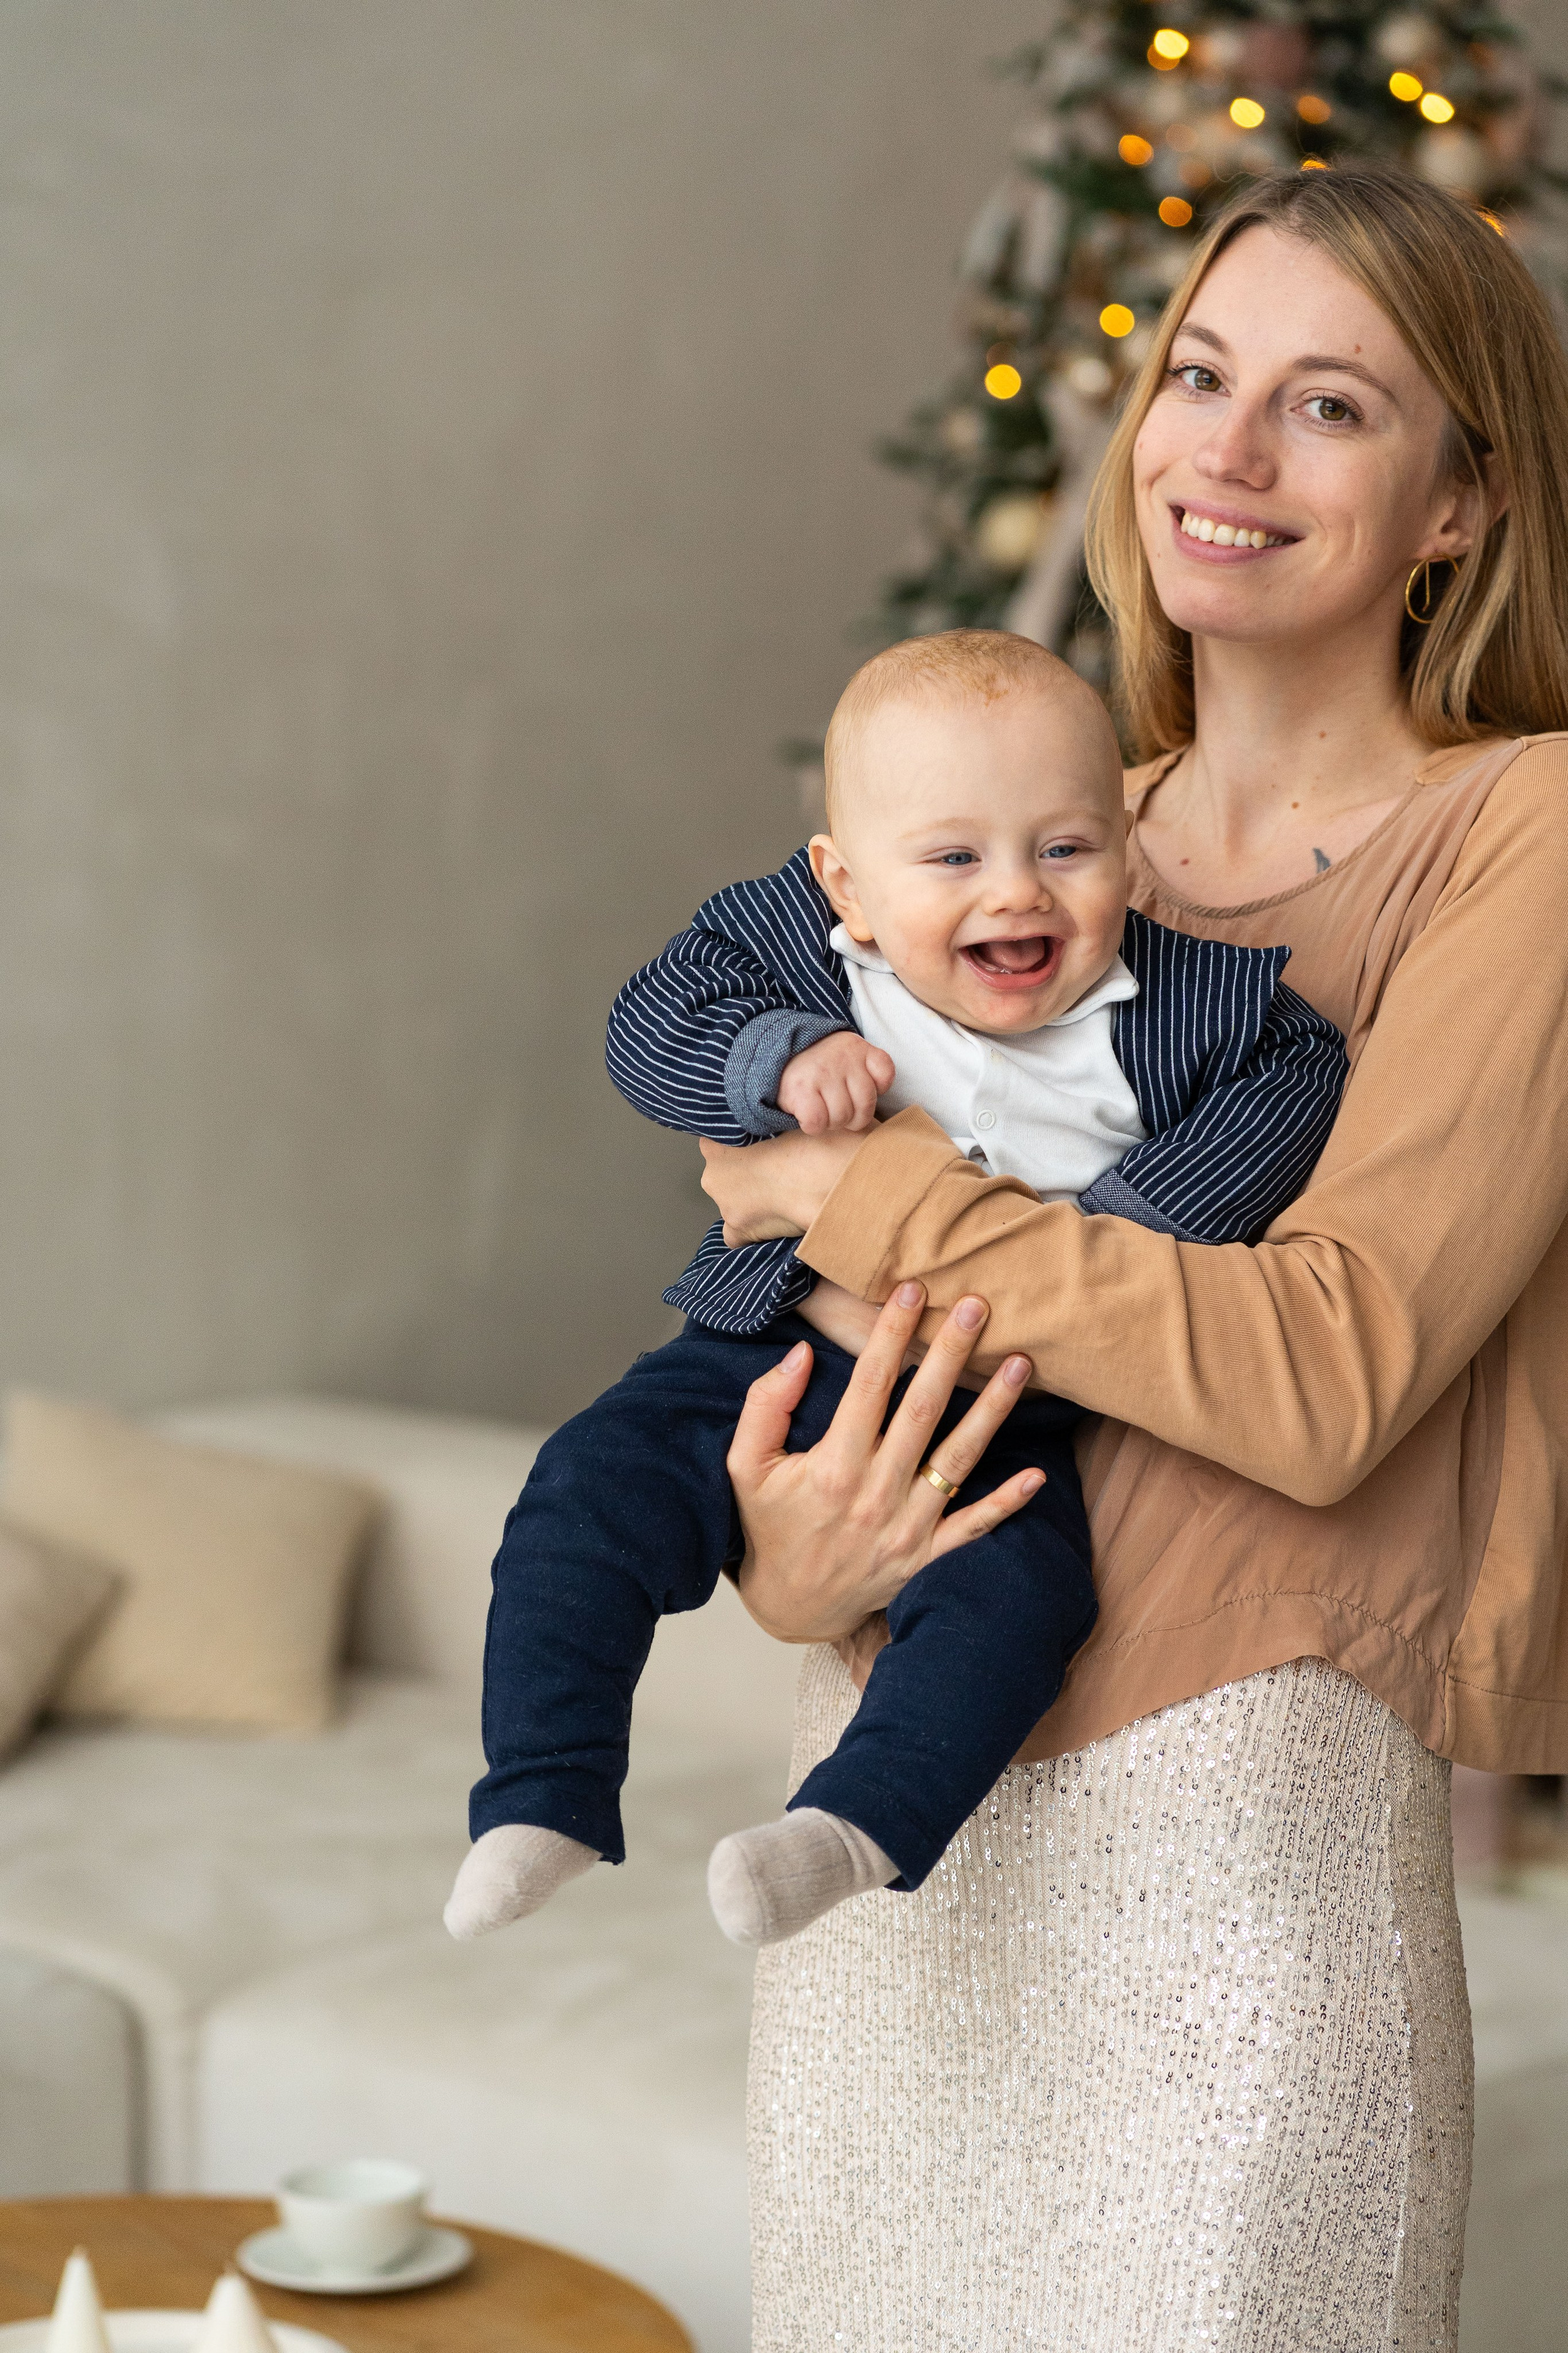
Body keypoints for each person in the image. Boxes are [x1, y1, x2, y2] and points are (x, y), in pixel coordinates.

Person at [698, 164, 1568, 2349]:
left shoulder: (1527, 834)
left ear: (1463, 504)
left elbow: (1331, 1366)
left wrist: (874, 1195)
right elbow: (785, 1325)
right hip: (888, 1848)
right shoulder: (1029, 819)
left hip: (1238, 1893)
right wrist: (794, 1558)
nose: (1228, 448)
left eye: (1333, 406)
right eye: (1199, 372)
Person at [444, 632, 1346, 1949]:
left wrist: (1124, 1232)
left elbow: (1293, 1077)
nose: (1015, 894)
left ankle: (850, 1828)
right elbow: (645, 1021)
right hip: (766, 1357)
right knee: (581, 1496)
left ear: (1125, 852)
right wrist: (774, 1055)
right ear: (846, 883)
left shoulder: (1204, 1008)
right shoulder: (795, 954)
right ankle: (544, 1795)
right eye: (951, 858)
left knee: (1018, 1608)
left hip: (1007, 1408)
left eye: (1063, 848)